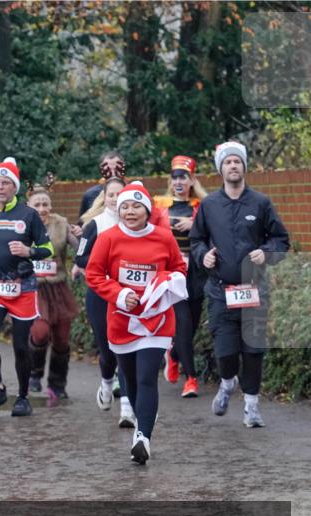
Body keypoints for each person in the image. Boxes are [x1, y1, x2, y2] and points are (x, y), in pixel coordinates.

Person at [190, 141, 290, 427]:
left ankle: (251, 406)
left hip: (254, 291)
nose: (233, 166)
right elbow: (196, 240)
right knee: (226, 352)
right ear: (220, 169)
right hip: (221, 292)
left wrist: (266, 252)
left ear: (244, 167)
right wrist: (202, 256)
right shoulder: (209, 205)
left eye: (237, 161)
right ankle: (226, 381)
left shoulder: (260, 203)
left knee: (253, 350)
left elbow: (281, 239)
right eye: (228, 162)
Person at [86, 181, 187, 464]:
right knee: (129, 379)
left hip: (156, 320)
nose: (130, 211)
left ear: (147, 209)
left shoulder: (164, 237)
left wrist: (167, 285)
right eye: (125, 206)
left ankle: (143, 437)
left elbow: (178, 269)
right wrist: (119, 294)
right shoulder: (108, 238)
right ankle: (141, 414)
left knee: (146, 377)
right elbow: (94, 275)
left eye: (136, 206)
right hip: (121, 320)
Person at [0, 156, 53, 417]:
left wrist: (28, 250)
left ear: (14, 187)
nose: (0, 187)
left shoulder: (28, 214)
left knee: (21, 346)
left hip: (23, 287)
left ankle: (22, 397)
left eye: (6, 183)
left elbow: (48, 249)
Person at [74, 177, 137, 428]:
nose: (116, 198)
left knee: (125, 349)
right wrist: (105, 265)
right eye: (111, 195)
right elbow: (80, 259)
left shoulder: (137, 224)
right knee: (108, 350)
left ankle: (126, 408)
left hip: (129, 296)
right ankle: (106, 383)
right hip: (101, 295)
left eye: (121, 194)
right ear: (105, 197)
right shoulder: (95, 225)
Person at [152, 155, 207, 397]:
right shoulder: (159, 206)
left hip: (196, 270)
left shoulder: (201, 206)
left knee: (192, 324)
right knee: (183, 325)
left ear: (192, 180)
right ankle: (192, 379)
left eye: (183, 177)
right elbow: (147, 231)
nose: (178, 181)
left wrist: (192, 226)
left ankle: (173, 355)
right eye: (174, 177)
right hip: (171, 271)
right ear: (169, 180)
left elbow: (212, 231)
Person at [26, 177, 79, 406]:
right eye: (37, 205)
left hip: (58, 287)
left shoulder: (60, 223)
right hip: (33, 287)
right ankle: (34, 374)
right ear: (29, 206)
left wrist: (80, 238)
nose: (42, 209)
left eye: (45, 204)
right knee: (40, 332)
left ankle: (58, 384)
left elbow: (80, 248)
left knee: (61, 339)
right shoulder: (23, 223)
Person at [78, 151, 126, 218]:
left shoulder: (132, 191)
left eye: (117, 169)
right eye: (108, 170)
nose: (113, 174)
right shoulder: (91, 194)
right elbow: (82, 223)